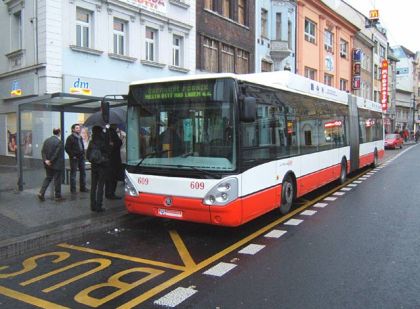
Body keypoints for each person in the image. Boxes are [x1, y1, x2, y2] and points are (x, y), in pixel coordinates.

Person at [37, 128, 65, 202]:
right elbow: (56, 154)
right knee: (57, 179)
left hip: (47, 164)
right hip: (56, 164)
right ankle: (58, 196)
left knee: (48, 178)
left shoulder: (46, 141)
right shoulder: (59, 142)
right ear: (59, 133)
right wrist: (51, 160)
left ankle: (41, 192)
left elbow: (43, 151)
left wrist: (46, 160)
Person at [87, 126, 110, 212]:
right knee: (101, 186)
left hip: (94, 166)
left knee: (93, 186)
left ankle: (93, 205)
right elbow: (108, 151)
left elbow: (87, 155)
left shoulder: (91, 142)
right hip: (102, 165)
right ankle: (99, 206)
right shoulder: (103, 141)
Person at [65, 123, 88, 193]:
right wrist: (72, 155)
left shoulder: (80, 137)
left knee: (83, 173)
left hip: (81, 157)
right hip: (74, 158)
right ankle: (73, 189)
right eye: (77, 128)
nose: (79, 129)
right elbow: (67, 148)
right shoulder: (70, 138)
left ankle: (83, 188)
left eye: (79, 128)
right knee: (73, 173)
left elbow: (82, 146)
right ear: (73, 129)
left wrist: (83, 154)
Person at [105, 125, 123, 199]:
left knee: (108, 178)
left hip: (108, 159)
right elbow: (118, 144)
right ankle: (111, 193)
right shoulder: (112, 133)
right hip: (114, 160)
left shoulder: (106, 133)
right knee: (113, 178)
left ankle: (107, 193)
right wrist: (121, 139)